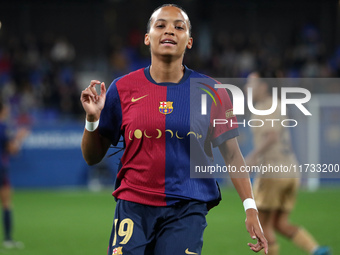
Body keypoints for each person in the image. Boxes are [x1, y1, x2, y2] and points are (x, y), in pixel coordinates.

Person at [80, 4, 268, 255]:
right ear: (147, 38)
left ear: (189, 41)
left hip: (187, 208)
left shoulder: (212, 91)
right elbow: (92, 157)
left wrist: (251, 208)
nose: (169, 31)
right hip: (133, 206)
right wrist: (92, 120)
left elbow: (233, 155)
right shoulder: (121, 89)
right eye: (161, 25)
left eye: (179, 27)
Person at [245, 71, 331, 255]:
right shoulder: (278, 106)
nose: (246, 88)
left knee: (263, 223)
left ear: (263, 87)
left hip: (273, 171)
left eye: (250, 84)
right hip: (290, 170)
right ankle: (316, 250)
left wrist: (252, 157)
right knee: (279, 223)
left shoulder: (264, 107)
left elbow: (272, 136)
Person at [0, 101, 29, 249]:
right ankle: (8, 239)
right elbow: (12, 150)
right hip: (1, 169)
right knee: (6, 203)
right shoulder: (3, 127)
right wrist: (19, 138)